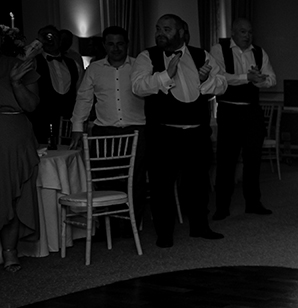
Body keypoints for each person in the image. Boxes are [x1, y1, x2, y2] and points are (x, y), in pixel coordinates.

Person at [132, 14, 227, 248]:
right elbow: (137, 86)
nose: (160, 33)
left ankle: (199, 227)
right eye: (158, 28)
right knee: (161, 185)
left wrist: (206, 81)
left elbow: (223, 83)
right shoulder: (147, 56)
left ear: (182, 32)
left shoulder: (202, 55)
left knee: (198, 183)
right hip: (164, 135)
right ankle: (164, 233)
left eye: (166, 29)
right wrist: (166, 75)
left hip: (197, 133)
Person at [69, 25, 148, 226]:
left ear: (127, 44)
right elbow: (84, 99)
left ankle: (132, 223)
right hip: (104, 132)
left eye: (120, 44)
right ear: (104, 45)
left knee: (135, 181)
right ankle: (109, 225)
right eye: (111, 44)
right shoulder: (94, 69)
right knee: (105, 180)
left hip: (136, 130)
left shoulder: (140, 66)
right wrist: (77, 128)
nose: (116, 48)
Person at [212, 18, 276, 220]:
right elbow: (220, 77)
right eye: (242, 32)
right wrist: (245, 78)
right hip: (229, 112)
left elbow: (272, 79)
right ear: (233, 32)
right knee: (226, 161)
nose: (247, 36)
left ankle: (253, 203)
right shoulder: (219, 49)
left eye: (249, 32)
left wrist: (259, 81)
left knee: (253, 160)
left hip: (252, 112)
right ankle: (222, 206)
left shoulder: (259, 52)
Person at [1, 27, 40, 274]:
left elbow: (31, 105)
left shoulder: (20, 65)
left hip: (12, 135)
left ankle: (9, 251)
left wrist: (15, 82)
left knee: (9, 194)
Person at [29, 24, 81, 146]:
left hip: (68, 125)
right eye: (46, 37)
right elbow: (19, 60)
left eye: (54, 37)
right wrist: (38, 42)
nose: (50, 40)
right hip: (41, 124)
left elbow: (80, 95)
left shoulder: (74, 64)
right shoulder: (33, 62)